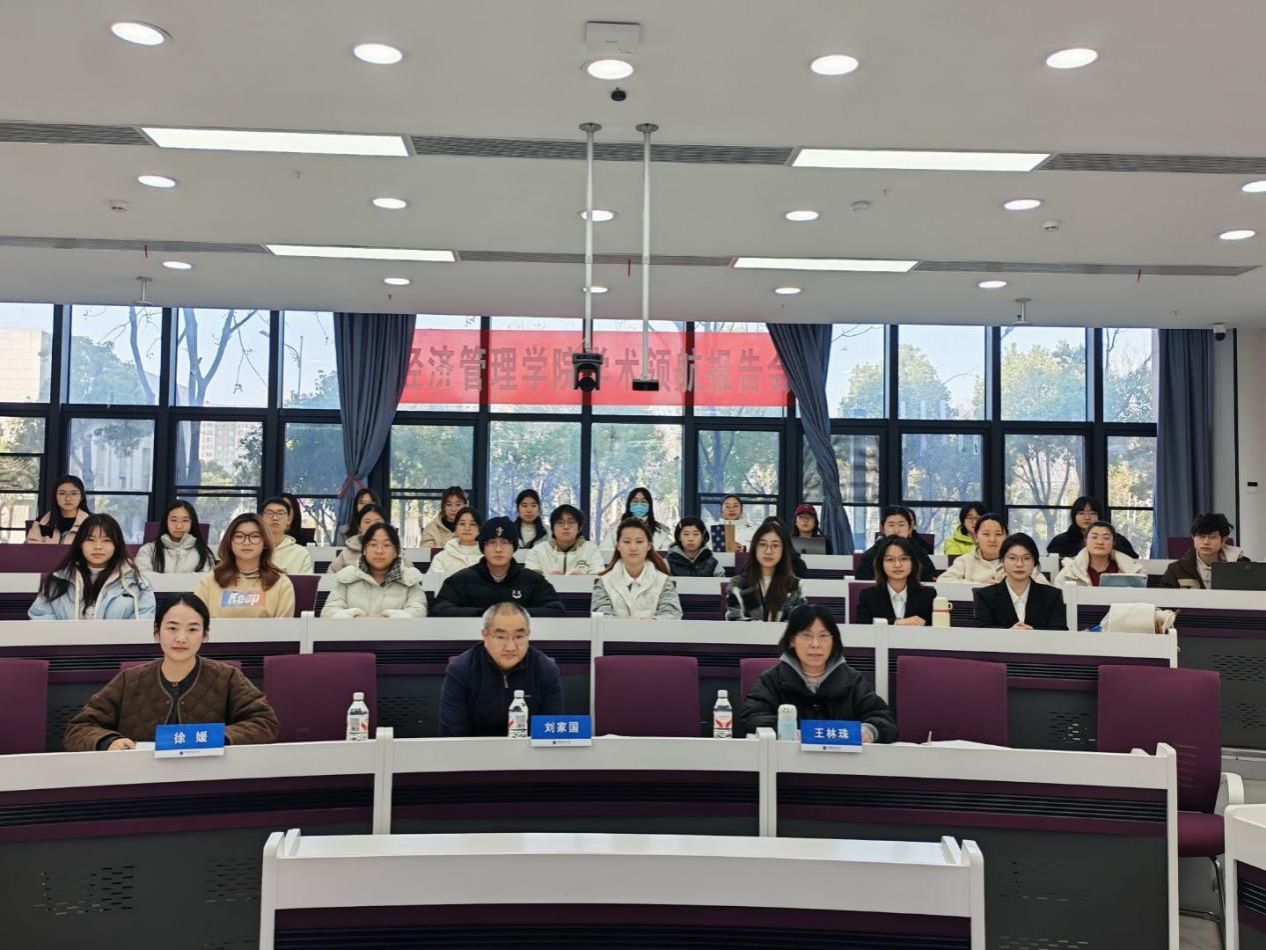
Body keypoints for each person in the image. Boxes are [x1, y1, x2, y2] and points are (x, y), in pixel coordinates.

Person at [63, 594, 280, 751]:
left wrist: (218, 738)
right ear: (157, 632)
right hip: (141, 782)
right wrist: (108, 741)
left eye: (193, 629)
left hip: (209, 779)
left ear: (205, 635)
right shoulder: (130, 680)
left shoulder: (227, 677)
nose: (181, 638)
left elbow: (265, 722)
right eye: (172, 628)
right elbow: (78, 728)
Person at [739, 604, 896, 742]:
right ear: (792, 640)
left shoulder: (853, 680)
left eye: (823, 636)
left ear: (834, 641)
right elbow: (753, 717)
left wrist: (868, 731)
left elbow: (883, 719)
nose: (815, 644)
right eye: (806, 636)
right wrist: (788, 732)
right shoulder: (772, 679)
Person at [439, 601, 564, 736]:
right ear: (485, 635)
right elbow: (453, 735)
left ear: (528, 634)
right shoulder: (461, 669)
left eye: (519, 636)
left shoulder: (546, 669)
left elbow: (551, 733)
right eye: (501, 637)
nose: (511, 647)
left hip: (528, 748)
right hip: (473, 748)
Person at [29, 513, 156, 620]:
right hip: (65, 643)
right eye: (90, 540)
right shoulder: (56, 581)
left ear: (116, 545)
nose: (98, 546)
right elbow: (42, 623)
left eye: (106, 540)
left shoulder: (138, 584)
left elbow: (140, 629)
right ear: (80, 543)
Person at [432, 517, 566, 617]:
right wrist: (486, 614)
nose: (498, 549)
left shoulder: (532, 580)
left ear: (514, 547)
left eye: (505, 542)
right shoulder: (462, 579)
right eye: (492, 542)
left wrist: (514, 614)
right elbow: (439, 609)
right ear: (483, 547)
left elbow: (556, 610)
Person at [194, 513, 296, 618]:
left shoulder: (281, 583)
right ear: (230, 542)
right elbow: (196, 622)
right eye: (239, 536)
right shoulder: (209, 581)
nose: (246, 542)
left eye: (255, 536)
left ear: (265, 543)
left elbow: (284, 627)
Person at [321, 523, 427, 618]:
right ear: (364, 550)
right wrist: (353, 617)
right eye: (373, 544)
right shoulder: (348, 577)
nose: (379, 551)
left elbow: (419, 611)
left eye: (386, 545)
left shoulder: (409, 579)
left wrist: (391, 619)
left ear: (396, 551)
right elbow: (329, 611)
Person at [592, 518, 683, 619]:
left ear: (649, 546)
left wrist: (648, 623)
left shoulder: (663, 580)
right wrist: (628, 625)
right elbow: (600, 616)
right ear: (618, 546)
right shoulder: (604, 581)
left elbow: (672, 614)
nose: (633, 548)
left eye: (639, 542)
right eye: (627, 542)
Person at [974, 533, 1067, 630]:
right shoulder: (985, 596)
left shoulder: (1052, 596)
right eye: (1012, 558)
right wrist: (1009, 634)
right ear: (1002, 561)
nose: (1019, 564)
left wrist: (1034, 633)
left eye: (1026, 558)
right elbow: (981, 633)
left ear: (1035, 562)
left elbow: (1060, 631)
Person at [726, 521, 807, 622]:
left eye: (775, 545)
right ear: (755, 548)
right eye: (763, 544)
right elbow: (733, 620)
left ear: (783, 550)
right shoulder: (738, 584)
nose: (768, 551)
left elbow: (799, 623)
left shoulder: (796, 586)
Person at [938, 513, 1037, 584]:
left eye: (998, 534)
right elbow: (943, 581)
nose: (992, 539)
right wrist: (980, 585)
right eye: (986, 534)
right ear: (976, 537)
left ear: (1006, 537)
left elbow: (1042, 584)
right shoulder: (965, 560)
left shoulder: (1019, 559)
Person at [855, 536, 935, 625]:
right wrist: (895, 623)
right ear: (881, 564)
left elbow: (936, 629)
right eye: (890, 559)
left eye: (904, 559)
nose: (897, 565)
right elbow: (861, 628)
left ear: (913, 563)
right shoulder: (868, 596)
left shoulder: (928, 595)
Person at [1161, 513, 1250, 589]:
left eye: (1213, 537)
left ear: (1223, 540)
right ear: (1193, 538)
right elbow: (1164, 599)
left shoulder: (1241, 566)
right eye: (1201, 536)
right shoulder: (1176, 569)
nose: (1206, 542)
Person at [854, 506, 937, 582]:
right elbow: (862, 584)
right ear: (882, 529)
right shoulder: (870, 556)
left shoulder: (919, 552)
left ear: (909, 528)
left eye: (901, 525)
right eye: (891, 525)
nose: (896, 530)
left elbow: (930, 579)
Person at [1054, 521, 1146, 586]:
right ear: (1086, 541)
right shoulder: (1070, 571)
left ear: (1113, 542)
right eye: (1094, 537)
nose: (1100, 542)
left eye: (1106, 538)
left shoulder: (1131, 570)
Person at [1047, 496, 1140, 560]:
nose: (1087, 517)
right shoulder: (1060, 542)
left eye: (1092, 513)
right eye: (1081, 513)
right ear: (1074, 516)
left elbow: (1133, 563)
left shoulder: (1117, 540)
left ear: (1100, 516)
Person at [136, 500, 216, 574]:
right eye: (174, 520)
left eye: (185, 520)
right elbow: (144, 579)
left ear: (192, 523)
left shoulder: (204, 553)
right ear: (166, 522)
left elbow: (206, 581)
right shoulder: (147, 550)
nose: (179, 526)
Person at [525, 504, 604, 575]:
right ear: (552, 529)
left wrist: (583, 580)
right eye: (560, 522)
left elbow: (599, 578)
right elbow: (530, 580)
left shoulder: (591, 549)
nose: (566, 527)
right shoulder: (538, 551)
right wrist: (548, 580)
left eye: (571, 522)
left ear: (579, 528)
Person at [601, 486, 673, 556]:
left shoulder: (661, 531)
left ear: (649, 505)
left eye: (643, 501)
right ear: (629, 504)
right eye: (635, 501)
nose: (639, 505)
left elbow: (669, 552)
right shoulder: (614, 528)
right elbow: (604, 551)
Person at [26, 475, 90, 544]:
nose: (68, 498)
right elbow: (31, 548)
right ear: (55, 496)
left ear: (81, 497)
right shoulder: (42, 521)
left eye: (74, 493)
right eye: (62, 493)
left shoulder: (91, 523)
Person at [326, 503, 387, 574]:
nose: (372, 526)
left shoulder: (394, 551)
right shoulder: (347, 553)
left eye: (378, 522)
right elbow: (331, 573)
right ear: (359, 527)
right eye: (367, 522)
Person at [258, 497, 314, 574]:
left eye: (280, 513)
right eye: (269, 513)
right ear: (261, 518)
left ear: (289, 519)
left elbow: (306, 580)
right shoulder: (252, 548)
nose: (275, 518)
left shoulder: (301, 553)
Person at [428, 506, 484, 575]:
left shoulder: (487, 556)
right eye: (462, 524)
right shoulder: (441, 558)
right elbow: (433, 580)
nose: (467, 528)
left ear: (479, 529)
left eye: (472, 524)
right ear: (455, 529)